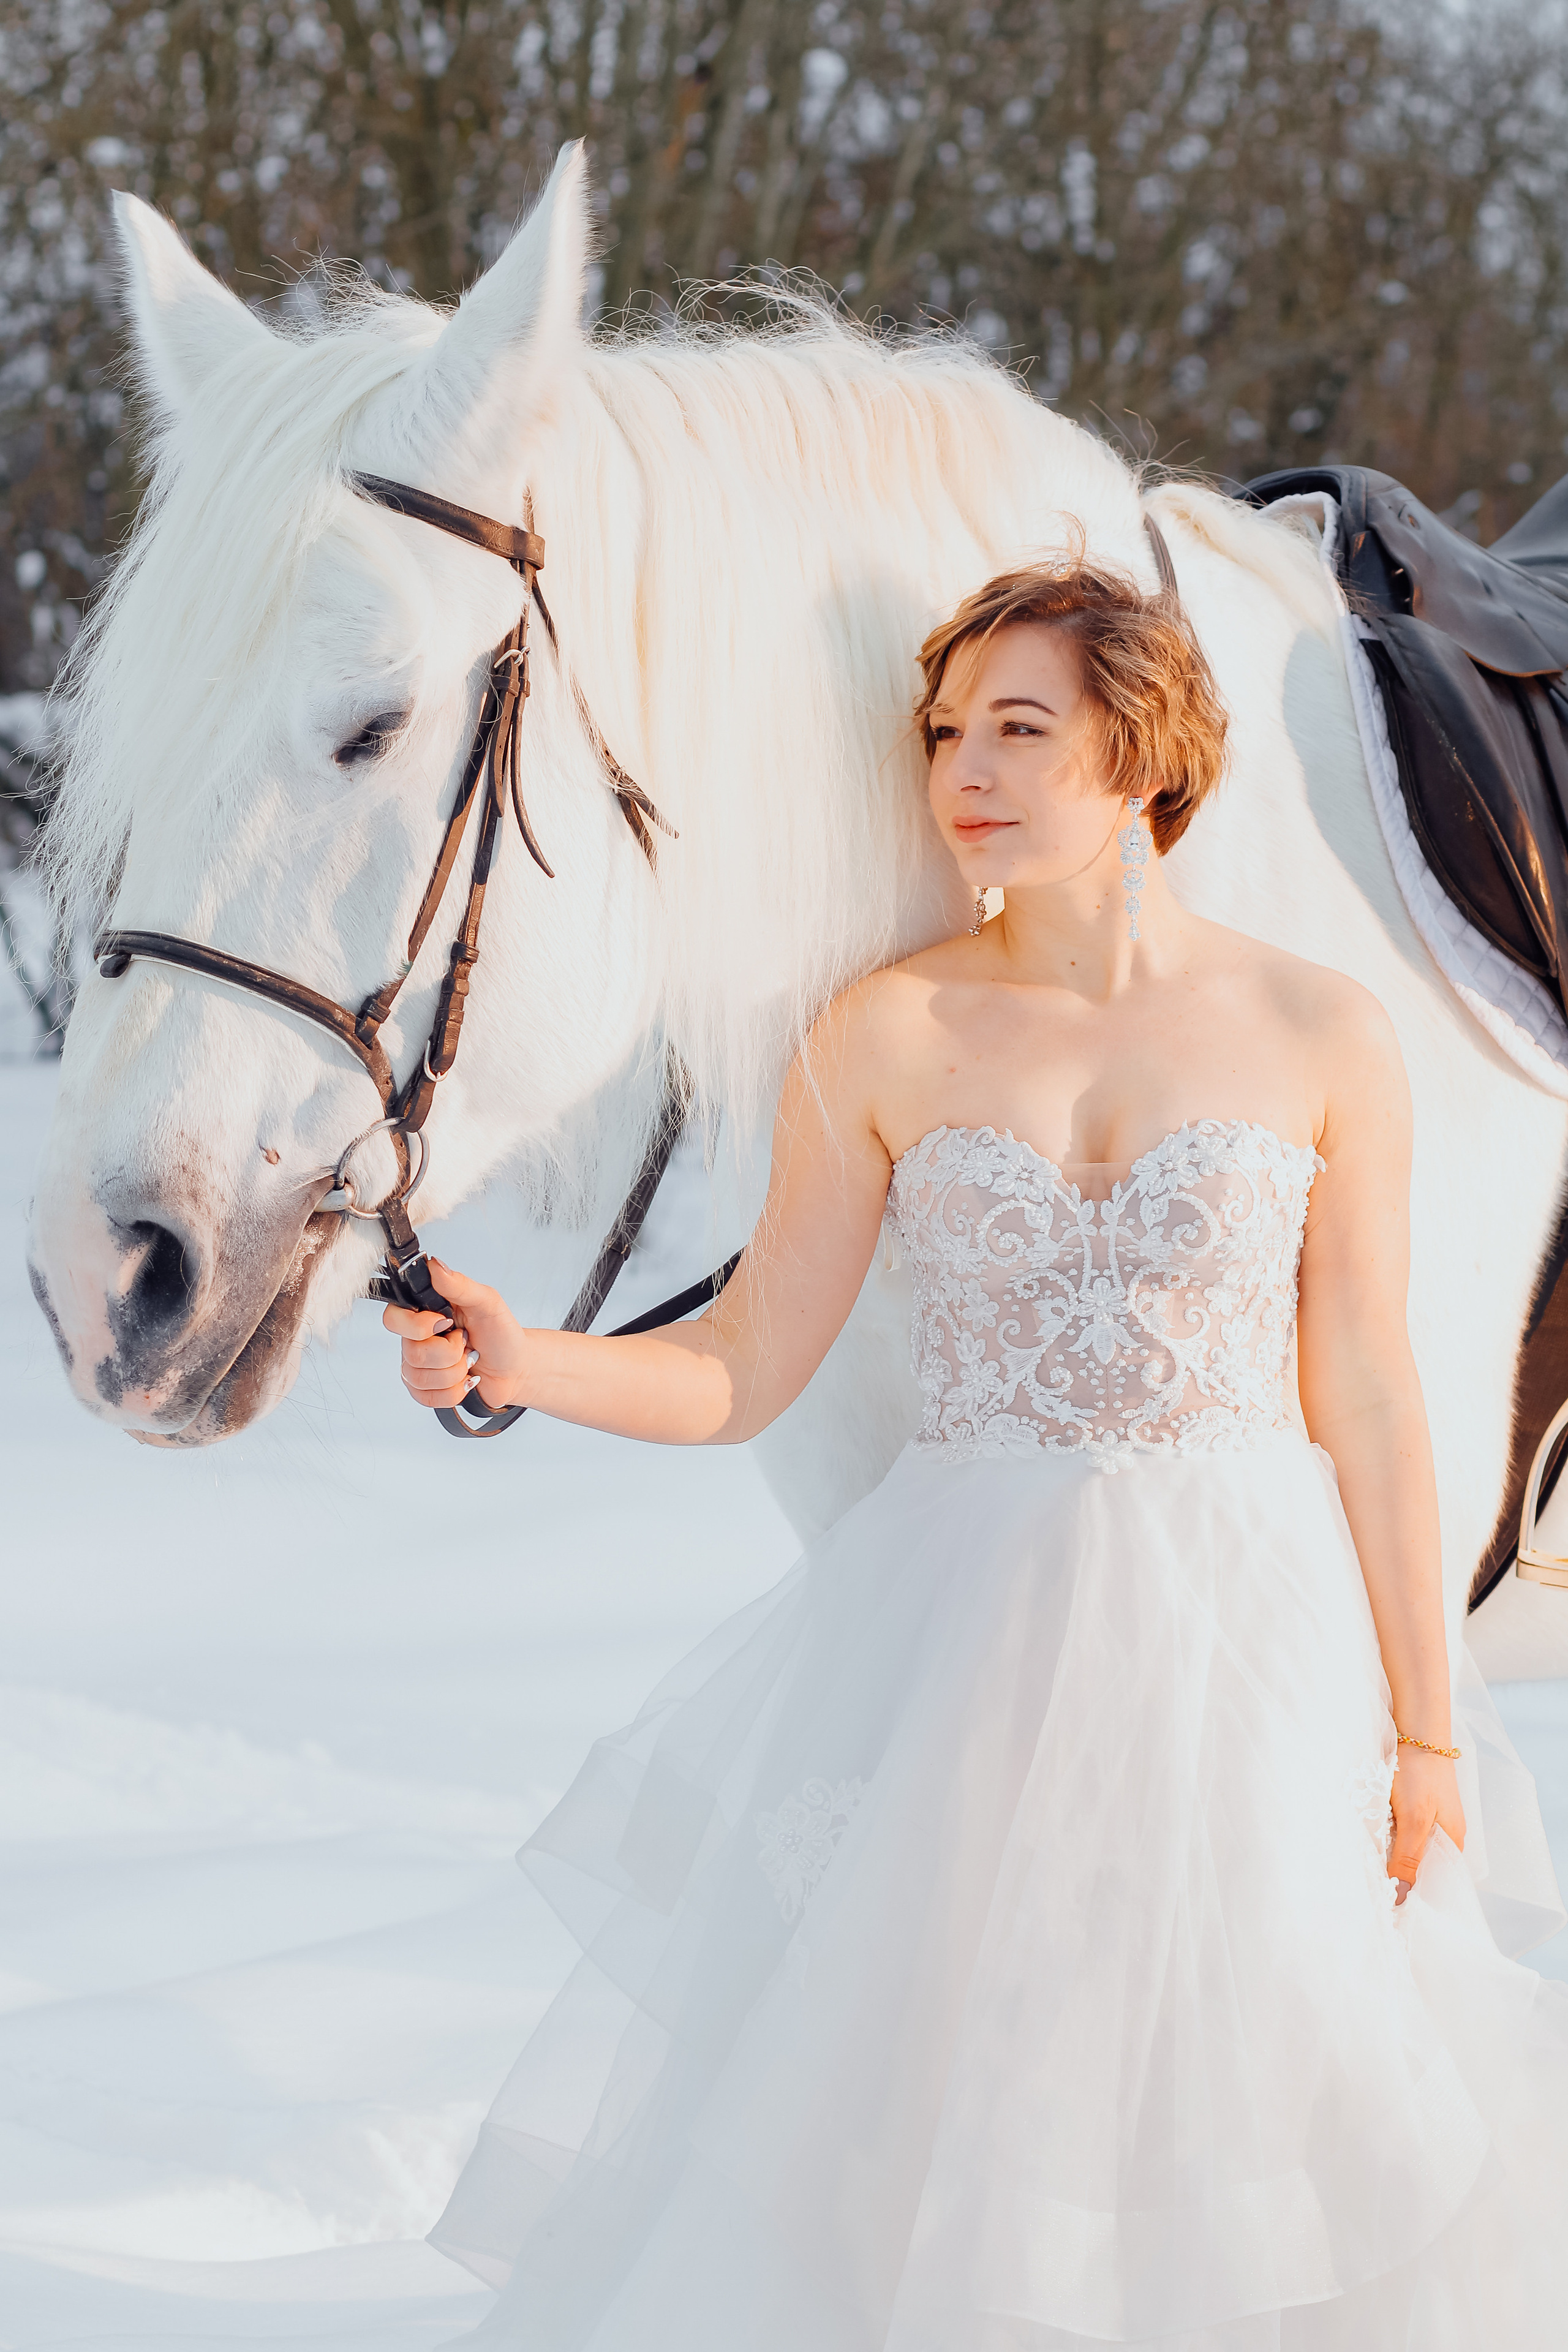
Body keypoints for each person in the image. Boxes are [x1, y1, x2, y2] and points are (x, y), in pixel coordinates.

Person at [386, 552, 1568, 2348]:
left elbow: (1375, 1398)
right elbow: (742, 1363)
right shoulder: (888, 1032)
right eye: (947, 732)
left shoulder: (1321, 1029)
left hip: (1256, 1650)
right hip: (965, 1654)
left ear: (1145, 749)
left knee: (1260, 2082)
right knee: (934, 2099)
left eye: (1021, 726)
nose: (968, 771)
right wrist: (524, 1359)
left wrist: (1422, 1729)